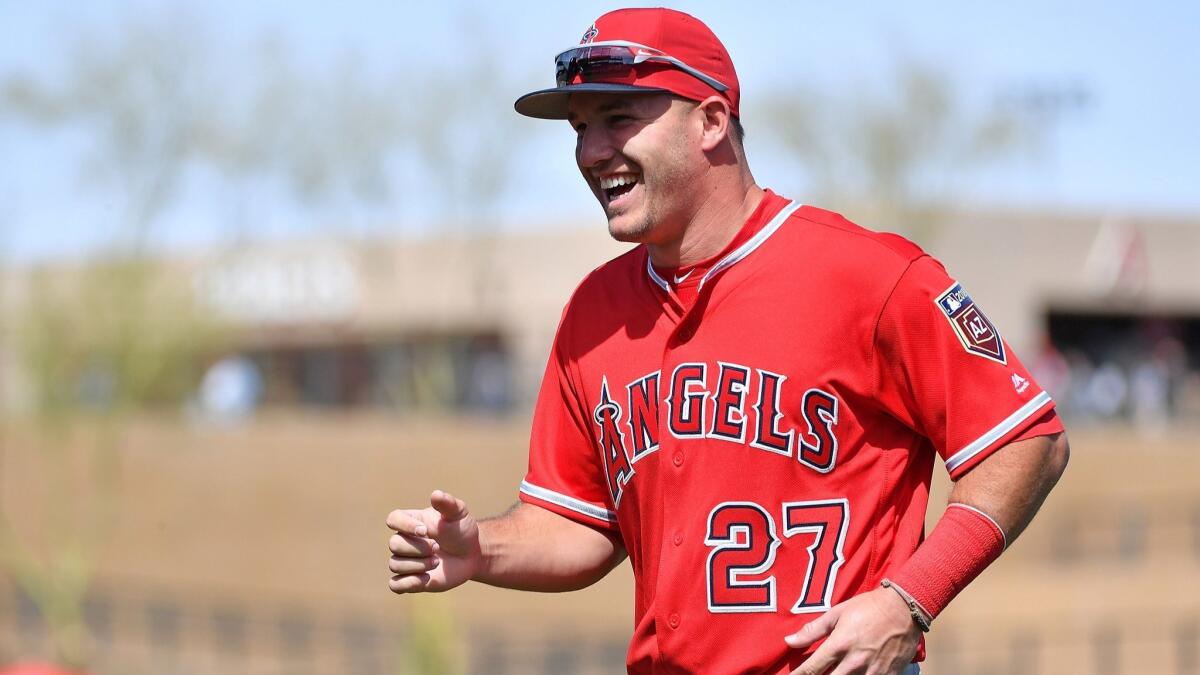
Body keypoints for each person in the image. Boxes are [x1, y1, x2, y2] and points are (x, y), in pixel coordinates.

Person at [386, 8, 1069, 674]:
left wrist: (909, 600)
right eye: (581, 128)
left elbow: (1027, 440)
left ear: (711, 120)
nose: (591, 152)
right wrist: (483, 552)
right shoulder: (593, 312)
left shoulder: (872, 278)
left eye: (618, 118)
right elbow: (582, 524)